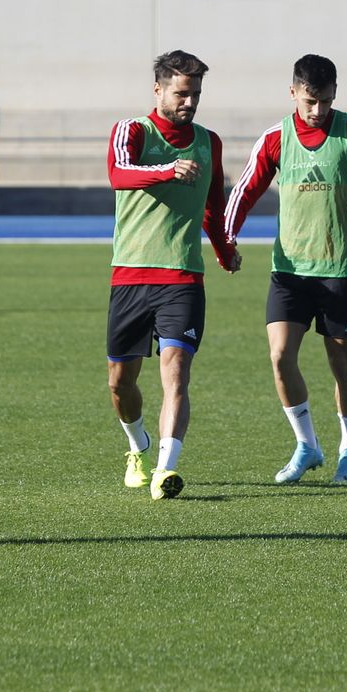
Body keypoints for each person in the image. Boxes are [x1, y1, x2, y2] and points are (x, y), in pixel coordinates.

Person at [225, 54, 347, 485]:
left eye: (326, 101)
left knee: (341, 362)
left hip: (340, 269)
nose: (319, 110)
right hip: (289, 270)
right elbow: (244, 191)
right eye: (311, 101)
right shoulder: (275, 138)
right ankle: (307, 445)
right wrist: (227, 237)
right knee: (279, 356)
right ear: (293, 93)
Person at [106, 50, 241, 501]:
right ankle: (137, 446)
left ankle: (165, 470)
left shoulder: (209, 141)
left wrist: (224, 250)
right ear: (158, 89)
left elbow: (213, 206)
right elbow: (119, 173)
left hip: (182, 276)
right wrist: (168, 169)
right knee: (120, 383)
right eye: (181, 93)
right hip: (130, 277)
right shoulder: (132, 131)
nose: (189, 102)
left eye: (196, 94)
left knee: (176, 371)